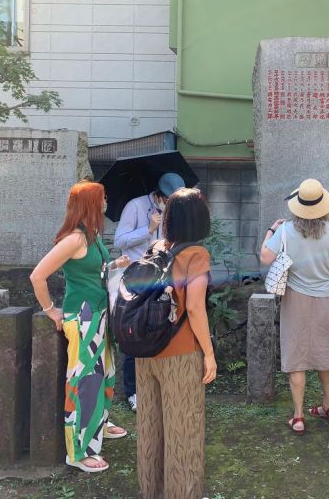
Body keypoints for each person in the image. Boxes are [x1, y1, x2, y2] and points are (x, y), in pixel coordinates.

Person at [29, 180, 130, 473]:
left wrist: (114, 266)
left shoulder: (91, 234)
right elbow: (38, 276)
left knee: (105, 373)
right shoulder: (74, 239)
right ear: (91, 204)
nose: (105, 202)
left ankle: (99, 423)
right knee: (85, 381)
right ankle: (79, 451)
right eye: (102, 198)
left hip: (99, 314)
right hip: (83, 318)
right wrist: (51, 310)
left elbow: (94, 271)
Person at [135, 187, 217, 499]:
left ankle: (151, 490)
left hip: (147, 349)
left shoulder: (156, 247)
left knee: (150, 426)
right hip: (180, 352)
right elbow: (194, 307)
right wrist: (208, 353)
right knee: (183, 429)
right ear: (199, 218)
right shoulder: (196, 255)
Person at [260, 178, 329, 435]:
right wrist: (322, 265)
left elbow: (265, 257)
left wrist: (270, 230)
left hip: (295, 298)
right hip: (326, 298)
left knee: (296, 356)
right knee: (325, 353)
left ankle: (298, 416)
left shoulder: (285, 230)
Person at [114, 172, 185, 412]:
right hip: (135, 280)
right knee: (134, 332)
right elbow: (119, 240)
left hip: (161, 280)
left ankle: (155, 386)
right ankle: (133, 391)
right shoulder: (135, 206)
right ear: (158, 195)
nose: (169, 205)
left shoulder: (172, 212)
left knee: (158, 329)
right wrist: (148, 229)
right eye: (168, 200)